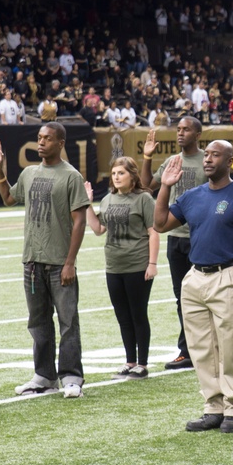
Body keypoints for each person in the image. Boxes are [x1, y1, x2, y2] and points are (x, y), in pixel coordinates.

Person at [154, 140, 233, 434]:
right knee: (201, 348)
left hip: (228, 275)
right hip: (195, 277)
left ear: (229, 161)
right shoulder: (192, 196)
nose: (208, 160)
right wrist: (165, 186)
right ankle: (213, 407)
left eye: (216, 155)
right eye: (207, 155)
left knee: (231, 347)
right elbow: (161, 223)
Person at [0, 123, 90, 399]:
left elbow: (80, 221)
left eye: (48, 138)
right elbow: (9, 198)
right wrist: (0, 170)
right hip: (32, 262)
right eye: (39, 138)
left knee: (68, 321)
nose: (42, 142)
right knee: (38, 321)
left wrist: (70, 262)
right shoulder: (29, 173)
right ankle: (44, 375)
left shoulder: (71, 176)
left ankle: (71, 377)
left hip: (60, 263)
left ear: (61, 143)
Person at [141, 117, 208, 370]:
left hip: (201, 238)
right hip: (176, 238)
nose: (180, 133)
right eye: (178, 129)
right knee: (182, 298)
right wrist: (148, 158)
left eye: (186, 129)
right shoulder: (171, 161)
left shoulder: (206, 159)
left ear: (198, 134)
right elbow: (147, 185)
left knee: (204, 296)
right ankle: (187, 351)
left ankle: (206, 348)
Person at [84, 157, 159, 380]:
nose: (116, 177)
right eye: (114, 173)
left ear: (132, 176)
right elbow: (98, 229)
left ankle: (142, 363)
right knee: (122, 316)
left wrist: (152, 263)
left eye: (121, 173)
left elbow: (153, 232)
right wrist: (88, 203)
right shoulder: (107, 199)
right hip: (114, 266)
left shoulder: (144, 199)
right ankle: (130, 361)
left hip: (137, 264)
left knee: (138, 314)